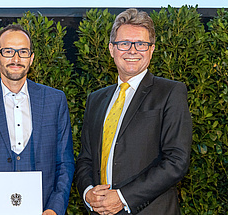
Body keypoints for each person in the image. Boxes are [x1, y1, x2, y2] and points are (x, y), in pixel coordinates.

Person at [75, 8, 192, 215]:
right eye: (124, 43)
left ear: (152, 49)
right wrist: (87, 193)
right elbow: (86, 158)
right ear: (112, 49)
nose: (132, 50)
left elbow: (176, 161)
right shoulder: (96, 99)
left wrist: (122, 197)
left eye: (141, 44)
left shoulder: (170, 92)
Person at [0, 24, 75, 215]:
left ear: (31, 58)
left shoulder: (55, 100)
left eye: (22, 51)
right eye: (8, 51)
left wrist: (54, 209)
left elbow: (64, 163)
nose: (16, 58)